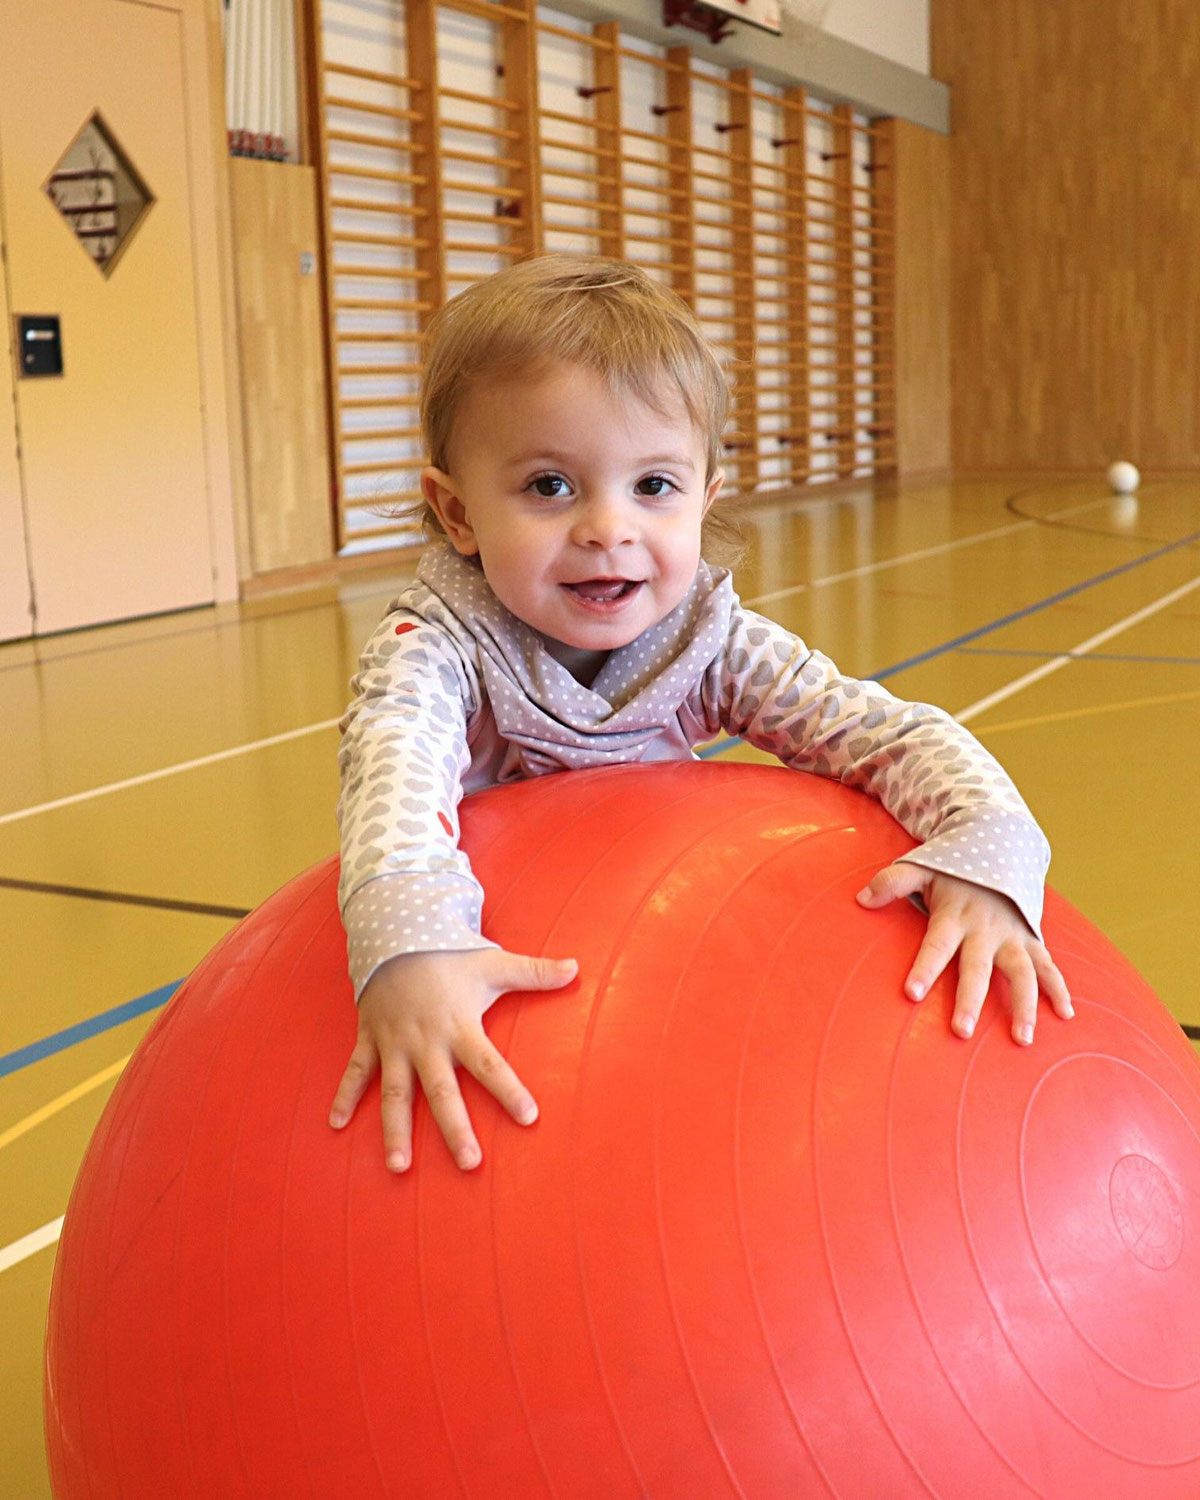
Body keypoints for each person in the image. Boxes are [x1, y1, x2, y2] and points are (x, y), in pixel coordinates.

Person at [329, 254, 1072, 1174]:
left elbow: (886, 732)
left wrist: (987, 844)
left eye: (653, 486)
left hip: (653, 999)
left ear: (705, 499)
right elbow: (391, 781)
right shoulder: (431, 650)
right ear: (458, 513)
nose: (610, 527)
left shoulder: (708, 642)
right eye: (550, 486)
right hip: (506, 990)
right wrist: (411, 952)